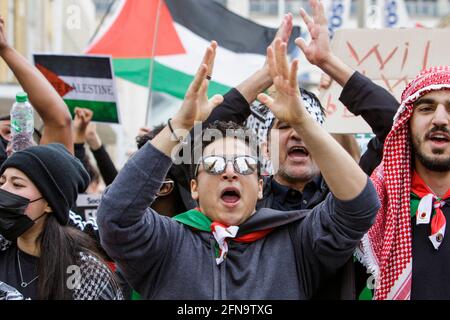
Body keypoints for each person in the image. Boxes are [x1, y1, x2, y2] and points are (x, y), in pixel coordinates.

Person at [97, 39, 380, 299]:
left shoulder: (295, 242)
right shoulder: (166, 242)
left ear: (259, 185)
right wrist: (179, 126)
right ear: (194, 187)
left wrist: (304, 124)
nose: (229, 173)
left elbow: (360, 206)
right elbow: (116, 217)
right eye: (214, 165)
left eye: (244, 165)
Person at [359, 66, 450, 300]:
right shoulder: (377, 206)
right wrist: (327, 62)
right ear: (406, 123)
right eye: (427, 108)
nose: (440, 119)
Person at [0, 144, 122, 300]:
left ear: (50, 204)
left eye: (17, 184)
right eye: (1, 181)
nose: (4, 190)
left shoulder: (83, 271)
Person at [0, 16, 73, 159]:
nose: (17, 138)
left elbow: (59, 120)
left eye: (11, 132)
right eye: (9, 132)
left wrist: (5, 49)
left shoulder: (44, 175)